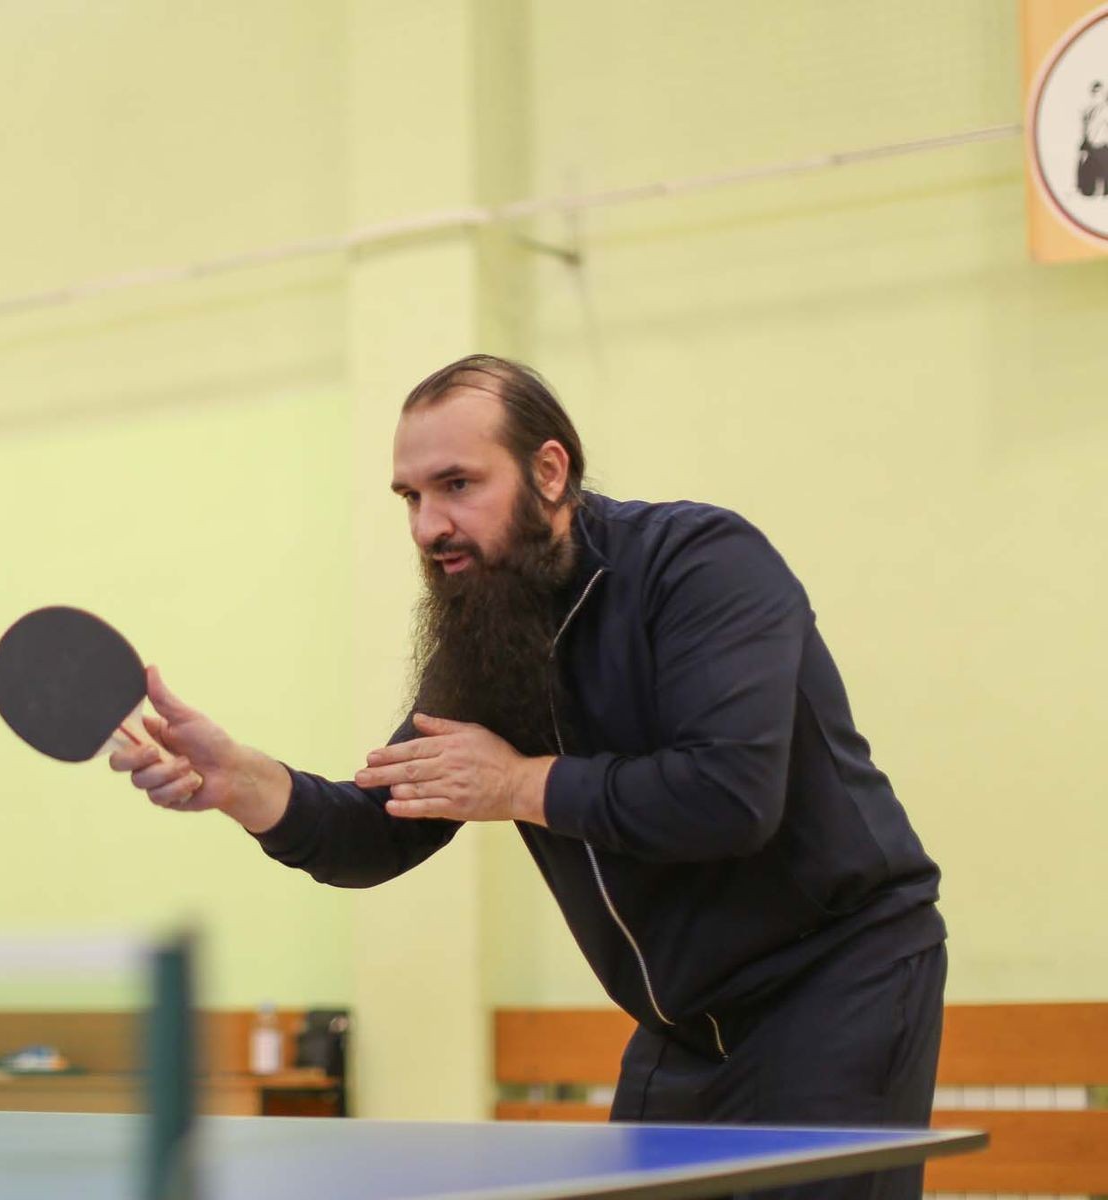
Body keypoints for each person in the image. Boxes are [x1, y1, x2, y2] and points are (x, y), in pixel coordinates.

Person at [111, 355, 947, 1200]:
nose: (428, 525)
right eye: (410, 497)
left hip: (836, 984)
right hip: (684, 1023)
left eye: (457, 485)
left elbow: (728, 795)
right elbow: (380, 829)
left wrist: (519, 786)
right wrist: (242, 781)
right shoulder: (492, 630)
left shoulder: (701, 564)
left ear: (549, 471)